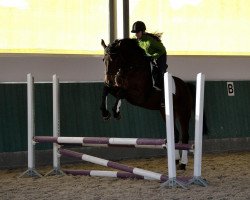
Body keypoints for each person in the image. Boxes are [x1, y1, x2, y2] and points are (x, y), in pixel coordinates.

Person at [131, 21, 168, 106]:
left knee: (162, 74)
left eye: (137, 32)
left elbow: (162, 50)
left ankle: (164, 98)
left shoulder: (150, 41)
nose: (136, 34)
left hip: (160, 56)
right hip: (148, 57)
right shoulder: (137, 41)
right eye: (135, 32)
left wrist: (153, 57)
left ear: (142, 32)